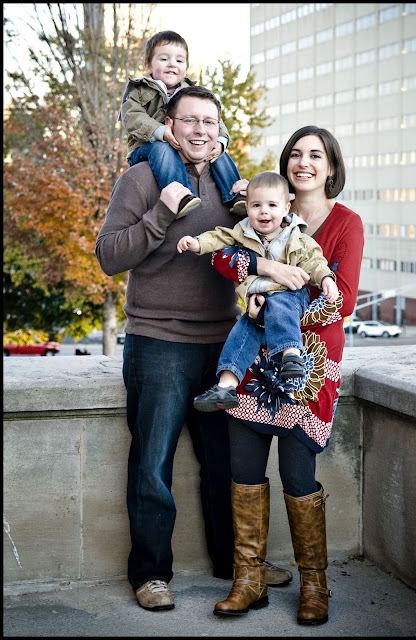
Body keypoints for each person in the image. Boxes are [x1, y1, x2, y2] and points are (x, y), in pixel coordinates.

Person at [95, 86, 292, 613]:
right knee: (153, 465)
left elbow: (256, 250)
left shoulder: (235, 189)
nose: (200, 130)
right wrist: (160, 213)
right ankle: (151, 574)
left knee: (227, 465)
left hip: (225, 346)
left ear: (218, 130)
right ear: (171, 125)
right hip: (159, 342)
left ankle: (236, 565)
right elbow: (108, 256)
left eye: (209, 121)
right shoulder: (142, 178)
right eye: (190, 121)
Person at [209, 126, 364, 623]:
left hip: (309, 367)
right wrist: (265, 270)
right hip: (254, 362)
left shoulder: (346, 223)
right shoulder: (265, 209)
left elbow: (342, 300)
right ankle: (248, 579)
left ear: (331, 167)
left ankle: (314, 585)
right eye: (296, 154)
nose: (304, 163)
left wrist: (269, 308)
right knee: (244, 468)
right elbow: (222, 257)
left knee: (298, 474)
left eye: (316, 155)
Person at [177, 171, 339, 411]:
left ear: (285, 208)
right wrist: (197, 243)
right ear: (247, 208)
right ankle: (226, 386)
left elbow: (315, 261)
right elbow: (219, 237)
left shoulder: (296, 237)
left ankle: (292, 355)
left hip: (291, 295)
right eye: (256, 205)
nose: (264, 212)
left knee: (280, 304)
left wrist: (326, 279)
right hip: (260, 300)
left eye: (272, 205)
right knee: (242, 331)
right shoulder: (242, 233)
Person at [118, 30, 246, 218]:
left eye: (179, 60)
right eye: (164, 59)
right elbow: (132, 117)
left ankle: (236, 194)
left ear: (186, 67)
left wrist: (220, 141)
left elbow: (214, 118)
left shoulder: (192, 92)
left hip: (179, 146)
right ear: (148, 66)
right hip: (146, 147)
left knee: (218, 152)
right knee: (162, 148)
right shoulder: (139, 90)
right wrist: (160, 131)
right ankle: (182, 195)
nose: (172, 64)